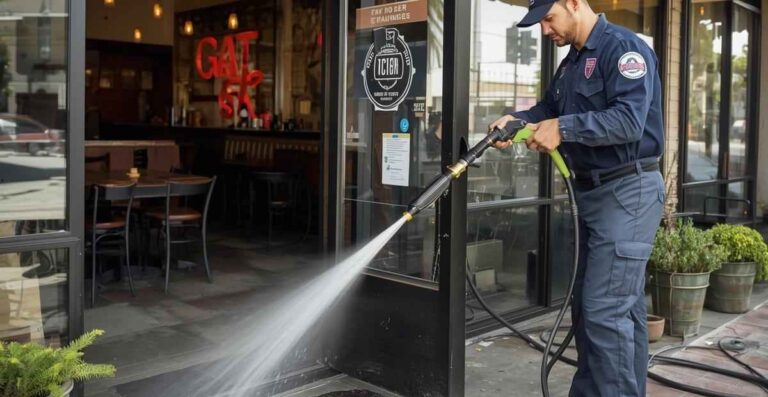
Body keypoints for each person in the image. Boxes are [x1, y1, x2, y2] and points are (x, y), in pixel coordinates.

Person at [489, 1, 664, 396]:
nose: (545, 30)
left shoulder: (622, 49)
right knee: (599, 309)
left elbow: (629, 120)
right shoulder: (571, 64)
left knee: (605, 310)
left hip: (627, 192)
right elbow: (547, 110)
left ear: (573, 3)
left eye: (549, 19)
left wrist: (563, 129)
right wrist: (516, 120)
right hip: (593, 194)